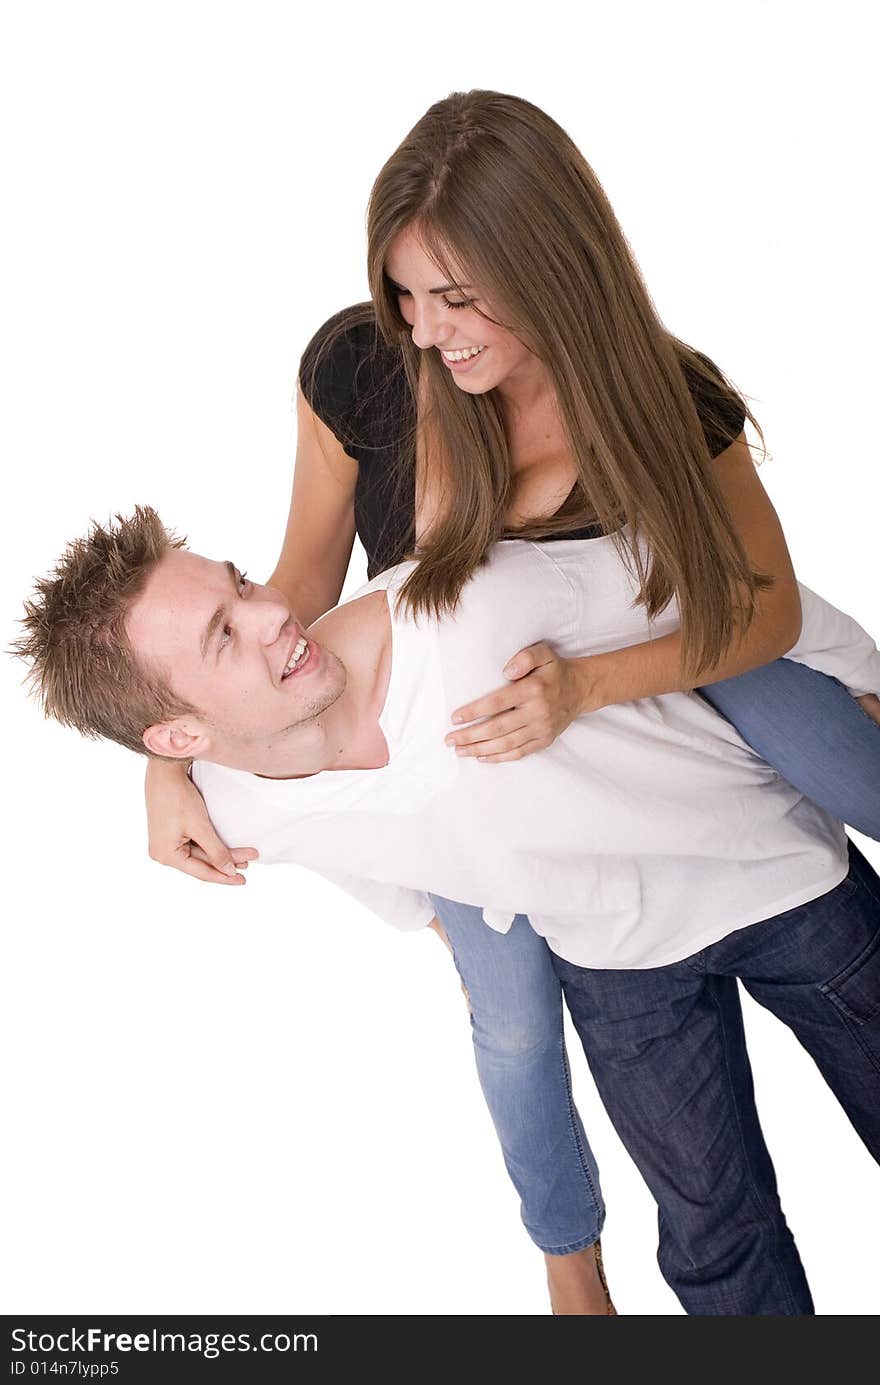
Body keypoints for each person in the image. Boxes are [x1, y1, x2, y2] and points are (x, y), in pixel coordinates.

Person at [134, 89, 880, 1312]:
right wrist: (169, 758)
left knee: (808, 733)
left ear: (549, 266)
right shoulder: (366, 377)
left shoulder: (656, 400)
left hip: (668, 710)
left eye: (459, 297)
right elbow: (295, 594)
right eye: (405, 296)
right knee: (520, 1024)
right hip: (499, 800)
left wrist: (584, 688)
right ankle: (570, 1273)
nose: (428, 331)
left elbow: (757, 607)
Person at [15, 505, 880, 1315]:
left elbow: (706, 576)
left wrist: (864, 679)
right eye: (224, 635)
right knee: (716, 1244)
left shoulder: (469, 604)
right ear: (178, 739)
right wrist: (441, 933)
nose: (274, 613)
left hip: (777, 881)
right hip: (615, 964)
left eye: (239, 584)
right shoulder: (235, 812)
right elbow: (364, 858)